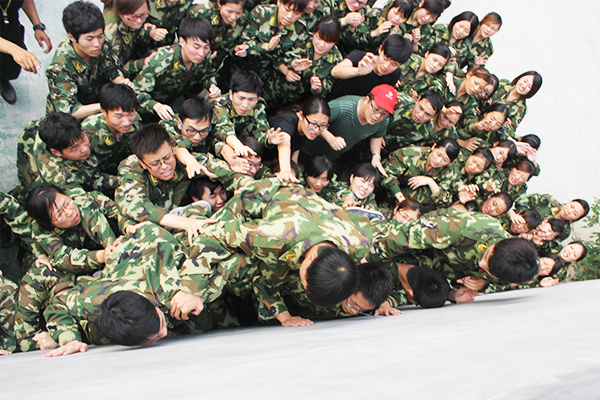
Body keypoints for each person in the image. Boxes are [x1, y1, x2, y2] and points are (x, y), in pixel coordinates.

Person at [202, 177, 373, 327]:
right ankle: (196, 211)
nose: (304, 287)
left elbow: (363, 220)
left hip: (314, 212)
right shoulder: (273, 236)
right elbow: (216, 232)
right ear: (311, 259)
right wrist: (192, 290)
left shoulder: (359, 243)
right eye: (305, 284)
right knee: (201, 228)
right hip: (266, 194)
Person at [113, 123, 232, 242]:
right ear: (142, 163)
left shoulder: (182, 157)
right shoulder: (131, 168)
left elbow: (215, 167)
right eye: (155, 163)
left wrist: (240, 180)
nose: (164, 166)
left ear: (173, 150)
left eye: (167, 158)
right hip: (157, 234)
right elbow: (135, 204)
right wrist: (185, 223)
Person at [367, 207, 540, 288]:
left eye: (489, 270)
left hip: (442, 263)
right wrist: (368, 258)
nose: (481, 265)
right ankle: (374, 221)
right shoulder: (469, 229)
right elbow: (407, 235)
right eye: (486, 257)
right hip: (429, 233)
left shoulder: (522, 269)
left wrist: (484, 282)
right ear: (497, 245)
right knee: (373, 244)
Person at [46, 0, 131, 120]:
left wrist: (120, 80)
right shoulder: (60, 67)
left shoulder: (100, 43)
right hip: (72, 119)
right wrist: (107, 106)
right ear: (72, 37)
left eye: (100, 36)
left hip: (97, 102)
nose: (97, 44)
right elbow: (69, 111)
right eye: (89, 39)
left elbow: (110, 68)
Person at [133, 15, 220, 121]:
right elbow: (136, 91)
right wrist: (155, 105)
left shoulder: (204, 56)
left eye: (206, 47)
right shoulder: (162, 59)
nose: (201, 53)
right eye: (196, 47)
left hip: (172, 104)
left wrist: (212, 85)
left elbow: (208, 73)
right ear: (182, 41)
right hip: (144, 110)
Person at [15, 112, 118, 202]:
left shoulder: (55, 126)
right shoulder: (60, 177)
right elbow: (85, 198)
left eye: (82, 138)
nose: (84, 149)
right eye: (74, 148)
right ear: (57, 153)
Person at [301, 84, 396, 175]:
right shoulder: (341, 107)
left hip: (329, 158)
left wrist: (376, 155)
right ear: (367, 99)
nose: (377, 116)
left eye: (384, 113)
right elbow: (311, 122)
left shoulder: (383, 120)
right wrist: (330, 138)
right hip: (305, 148)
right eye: (376, 109)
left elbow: (377, 135)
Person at [261, 16, 343, 112]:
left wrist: (316, 89)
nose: (321, 44)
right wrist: (289, 68)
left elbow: (325, 92)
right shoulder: (302, 38)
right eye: (319, 38)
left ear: (335, 42)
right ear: (314, 32)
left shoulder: (336, 60)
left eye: (328, 41)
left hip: (294, 104)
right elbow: (276, 58)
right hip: (272, 90)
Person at [268, 97, 344, 182]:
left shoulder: (308, 127)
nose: (316, 130)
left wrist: (332, 139)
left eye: (323, 125)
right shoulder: (286, 123)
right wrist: (286, 170)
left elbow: (317, 127)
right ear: (301, 115)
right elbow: (284, 145)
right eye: (313, 124)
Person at [381, 138, 460, 211]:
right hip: (392, 195)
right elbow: (387, 176)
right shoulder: (410, 154)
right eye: (438, 154)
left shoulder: (449, 171)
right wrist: (403, 201)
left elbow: (445, 202)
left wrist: (430, 182)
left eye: (445, 160)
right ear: (433, 147)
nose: (438, 160)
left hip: (417, 208)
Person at [238, 0, 309, 81]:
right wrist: (266, 47)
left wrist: (292, 63)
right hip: (246, 66)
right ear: (279, 2)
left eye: (297, 13)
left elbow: (297, 54)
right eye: (287, 9)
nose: (290, 16)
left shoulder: (300, 27)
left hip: (272, 73)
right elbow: (244, 42)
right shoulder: (261, 12)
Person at [327, 33, 412, 100]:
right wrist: (357, 71)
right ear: (380, 49)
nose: (386, 66)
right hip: (334, 101)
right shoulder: (360, 57)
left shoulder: (394, 74)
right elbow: (335, 71)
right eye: (385, 58)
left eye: (394, 64)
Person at [81, 83, 140, 177]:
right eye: (119, 116)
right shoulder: (89, 132)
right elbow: (89, 174)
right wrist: (121, 181)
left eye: (130, 113)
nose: (126, 122)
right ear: (104, 112)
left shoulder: (136, 120)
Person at [0, 0, 52, 104]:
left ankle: (2, 80)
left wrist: (37, 26)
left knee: (10, 67)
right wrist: (14, 50)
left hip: (9, 27)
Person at [103, 0, 166, 79]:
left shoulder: (131, 18)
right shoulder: (111, 35)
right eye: (133, 17)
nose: (139, 20)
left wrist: (149, 32)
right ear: (120, 13)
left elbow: (134, 33)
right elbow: (113, 71)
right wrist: (143, 62)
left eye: (143, 14)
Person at [491, 70, 543, 137]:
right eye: (525, 81)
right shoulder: (503, 83)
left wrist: (506, 127)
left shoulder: (521, 109)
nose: (524, 86)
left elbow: (511, 132)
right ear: (520, 77)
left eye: (529, 86)